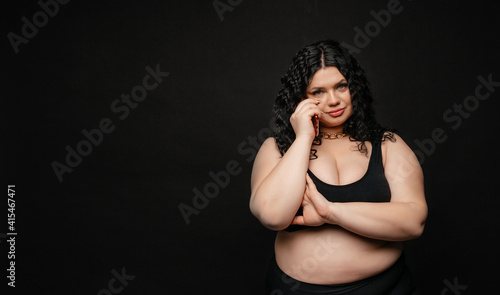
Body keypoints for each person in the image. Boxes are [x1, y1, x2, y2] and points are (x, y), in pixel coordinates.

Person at [249, 40, 427, 295]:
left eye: (341, 86)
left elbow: (413, 222)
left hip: (386, 288)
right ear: (301, 98)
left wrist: (330, 212)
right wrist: (303, 138)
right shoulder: (277, 148)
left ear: (353, 86)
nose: (333, 100)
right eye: (318, 92)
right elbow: (273, 216)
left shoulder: (388, 144)